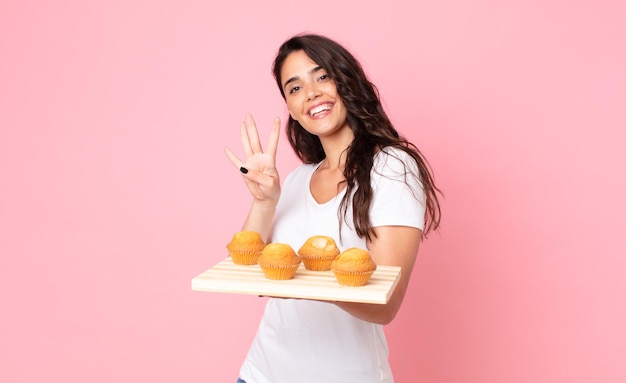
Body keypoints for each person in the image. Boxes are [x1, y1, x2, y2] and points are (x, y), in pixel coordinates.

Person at [224, 33, 442, 383]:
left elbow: (385, 304)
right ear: (292, 110)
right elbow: (247, 266)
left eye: (322, 76)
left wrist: (296, 277)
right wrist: (264, 202)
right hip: (262, 373)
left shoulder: (391, 167)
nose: (311, 93)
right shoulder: (296, 180)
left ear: (346, 81)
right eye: (294, 88)